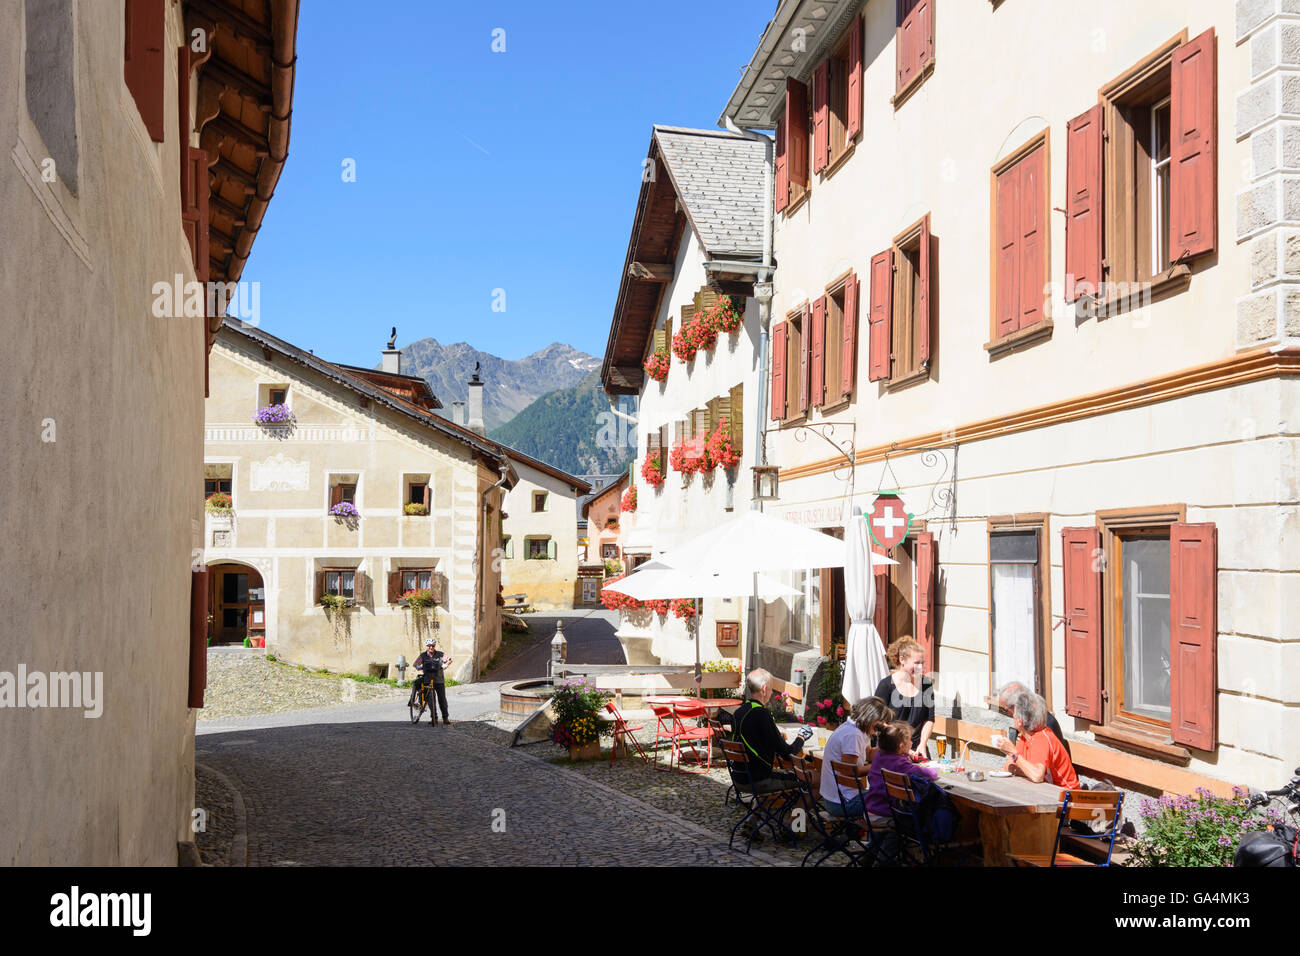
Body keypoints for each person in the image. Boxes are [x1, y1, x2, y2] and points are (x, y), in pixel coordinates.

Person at [730, 668, 810, 792]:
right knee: (813, 778)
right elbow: (787, 754)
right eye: (771, 688)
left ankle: (765, 807)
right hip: (759, 780)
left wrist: (775, 738)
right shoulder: (762, 713)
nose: (772, 692)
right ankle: (801, 810)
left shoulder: (739, 712)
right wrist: (802, 737)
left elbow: (753, 739)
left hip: (739, 777)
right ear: (764, 689)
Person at [819, 697, 893, 818]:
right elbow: (849, 772)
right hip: (843, 803)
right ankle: (881, 835)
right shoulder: (853, 734)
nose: (881, 726)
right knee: (893, 802)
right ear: (871, 718)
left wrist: (895, 750)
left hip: (838, 798)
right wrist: (879, 766)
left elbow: (868, 754)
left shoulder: (855, 728)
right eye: (880, 721)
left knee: (888, 798)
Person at [994, 691, 1079, 789]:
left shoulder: (1042, 739)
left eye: (1014, 714)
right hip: (1047, 792)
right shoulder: (1025, 737)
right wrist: (1025, 769)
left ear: (1020, 721)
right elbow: (1009, 767)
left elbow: (1037, 776)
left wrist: (1013, 753)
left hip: (1067, 798)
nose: (1013, 716)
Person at [863, 720, 938, 827]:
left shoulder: (879, 756)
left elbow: (894, 762)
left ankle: (881, 843)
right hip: (885, 814)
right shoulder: (901, 764)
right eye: (909, 740)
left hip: (870, 809)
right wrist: (934, 769)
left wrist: (906, 757)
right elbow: (931, 774)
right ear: (901, 746)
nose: (912, 743)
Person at [872, 638, 934, 758]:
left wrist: (922, 744)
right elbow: (878, 720)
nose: (920, 668)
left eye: (922, 663)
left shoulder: (926, 685)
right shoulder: (886, 685)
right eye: (916, 663)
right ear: (902, 660)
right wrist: (902, 745)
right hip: (891, 749)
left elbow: (929, 718)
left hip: (917, 749)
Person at [996, 681, 1071, 758]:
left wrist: (1013, 753)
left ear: (1017, 706)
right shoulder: (1026, 725)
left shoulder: (1043, 725)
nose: (1010, 715)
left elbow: (1039, 766)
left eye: (1007, 710)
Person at [409, 638, 453, 726]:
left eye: (433, 646)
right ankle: (434, 718)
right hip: (428, 680)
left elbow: (449, 659)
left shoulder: (440, 654)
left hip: (439, 680)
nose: (431, 647)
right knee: (430, 700)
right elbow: (415, 663)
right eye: (429, 646)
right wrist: (418, 667)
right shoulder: (423, 655)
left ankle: (445, 718)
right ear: (427, 646)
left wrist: (446, 664)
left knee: (442, 700)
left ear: (434, 646)